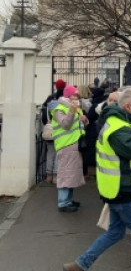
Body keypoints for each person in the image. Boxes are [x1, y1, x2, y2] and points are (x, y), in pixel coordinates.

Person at [63, 87, 131, 271]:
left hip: (117, 188)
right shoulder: (117, 128)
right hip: (122, 189)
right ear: (128, 106)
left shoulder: (122, 122)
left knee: (115, 232)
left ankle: (79, 266)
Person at [52, 84, 86, 212]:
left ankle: (69, 200)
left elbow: (77, 125)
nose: (76, 97)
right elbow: (65, 124)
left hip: (73, 144)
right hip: (65, 144)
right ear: (67, 95)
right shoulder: (59, 109)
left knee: (71, 174)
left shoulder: (76, 108)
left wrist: (84, 120)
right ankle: (63, 202)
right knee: (66, 173)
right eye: (74, 95)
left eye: (77, 95)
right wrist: (72, 111)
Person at [43, 79, 67, 184]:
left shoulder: (50, 99)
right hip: (60, 130)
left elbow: (44, 116)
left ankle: (48, 175)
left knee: (50, 153)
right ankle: (56, 176)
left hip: (49, 129)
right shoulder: (65, 100)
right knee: (59, 154)